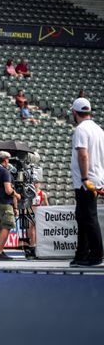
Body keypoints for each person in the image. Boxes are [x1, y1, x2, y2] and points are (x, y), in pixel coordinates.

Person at [69, 98, 104, 267]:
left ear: (75, 113)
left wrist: (84, 178)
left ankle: (96, 255)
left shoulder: (81, 130)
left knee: (88, 217)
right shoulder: (98, 129)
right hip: (96, 176)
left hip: (86, 180)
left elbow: (83, 154)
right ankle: (81, 254)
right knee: (82, 216)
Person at [0, 151, 21, 260]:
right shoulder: (4, 171)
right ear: (5, 160)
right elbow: (8, 190)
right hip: (4, 202)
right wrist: (17, 195)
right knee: (6, 226)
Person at [27, 181, 49, 256]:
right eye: (34, 183)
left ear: (39, 184)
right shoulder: (29, 193)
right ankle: (32, 246)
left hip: (38, 213)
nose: (35, 184)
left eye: (37, 183)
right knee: (31, 230)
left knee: (37, 230)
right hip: (31, 212)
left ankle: (38, 246)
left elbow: (47, 205)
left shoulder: (43, 194)